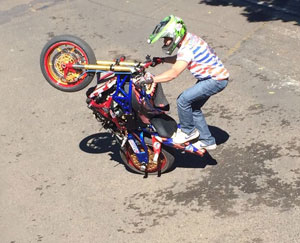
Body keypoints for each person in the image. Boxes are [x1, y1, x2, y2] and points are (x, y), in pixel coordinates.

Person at [142, 15, 229, 150]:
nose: (165, 42)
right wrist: (162, 60)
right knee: (193, 107)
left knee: (183, 100)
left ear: (175, 35)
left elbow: (174, 73)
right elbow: (180, 58)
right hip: (215, 78)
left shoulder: (186, 48)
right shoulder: (189, 39)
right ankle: (208, 141)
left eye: (166, 38)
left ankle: (188, 132)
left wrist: (151, 79)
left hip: (214, 80)